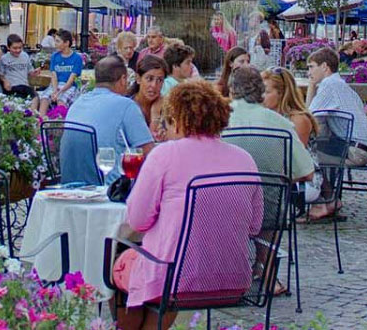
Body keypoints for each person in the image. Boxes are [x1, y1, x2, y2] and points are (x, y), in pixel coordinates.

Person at [113, 81, 263, 330]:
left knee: (120, 263)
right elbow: (254, 225)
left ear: (177, 120)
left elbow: (137, 220)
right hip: (233, 277)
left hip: (175, 279)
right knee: (151, 274)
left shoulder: (164, 155)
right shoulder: (244, 159)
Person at [63, 56, 155, 185]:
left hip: (72, 186)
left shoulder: (78, 103)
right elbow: (149, 153)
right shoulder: (126, 106)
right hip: (110, 190)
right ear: (123, 80)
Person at [225, 65, 315, 182]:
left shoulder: (216, 120)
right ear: (261, 91)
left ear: (231, 90)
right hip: (269, 197)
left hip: (222, 195)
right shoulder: (280, 123)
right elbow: (306, 173)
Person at [306, 46, 366, 147]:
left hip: (352, 152)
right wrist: (312, 83)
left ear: (324, 66)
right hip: (359, 148)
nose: (309, 72)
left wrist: (311, 85)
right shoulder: (341, 84)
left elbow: (308, 117)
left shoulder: (329, 84)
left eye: (311, 67)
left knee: (302, 157)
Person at [262, 66, 316, 145]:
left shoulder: (298, 120)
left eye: (266, 92)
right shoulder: (263, 116)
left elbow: (297, 155)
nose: (260, 96)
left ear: (282, 93)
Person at [37, 29, 85, 113]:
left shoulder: (77, 58)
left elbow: (71, 79)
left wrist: (60, 92)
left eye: (58, 41)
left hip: (70, 86)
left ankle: (59, 121)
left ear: (66, 43)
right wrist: (55, 91)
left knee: (61, 100)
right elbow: (54, 76)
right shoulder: (54, 56)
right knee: (44, 99)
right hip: (55, 85)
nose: (55, 44)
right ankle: (41, 121)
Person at [132, 55, 167, 130]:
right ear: (138, 79)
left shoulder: (168, 108)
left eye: (159, 80)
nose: (154, 85)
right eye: (149, 79)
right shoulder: (128, 107)